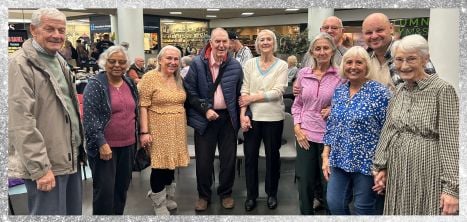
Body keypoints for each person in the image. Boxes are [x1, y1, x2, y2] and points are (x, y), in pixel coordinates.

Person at [8, 8, 85, 215]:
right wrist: (40, 168)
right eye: (49, 29)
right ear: (33, 30)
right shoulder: (20, 64)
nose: (57, 35)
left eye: (61, 30)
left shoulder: (59, 61)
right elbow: (21, 122)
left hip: (70, 157)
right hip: (47, 164)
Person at [372, 34, 459, 215]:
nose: (404, 66)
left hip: (428, 171)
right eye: (399, 60)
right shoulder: (400, 90)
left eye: (411, 59)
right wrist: (381, 166)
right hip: (399, 170)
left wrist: (452, 189)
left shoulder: (442, 90)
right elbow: (389, 129)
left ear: (425, 59)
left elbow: (451, 141)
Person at [321, 46, 391, 215]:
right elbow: (332, 126)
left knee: (364, 208)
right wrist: (325, 155)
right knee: (334, 203)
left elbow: (389, 131)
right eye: (349, 62)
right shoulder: (339, 91)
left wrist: (385, 166)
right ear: (343, 66)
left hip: (368, 162)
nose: (353, 66)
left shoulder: (381, 93)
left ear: (366, 66)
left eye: (359, 62)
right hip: (339, 159)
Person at [183, 27, 243, 211]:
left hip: (228, 119)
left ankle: (226, 193)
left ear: (230, 44)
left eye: (225, 41)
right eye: (217, 41)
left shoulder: (235, 66)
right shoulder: (197, 64)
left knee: (228, 160)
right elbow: (190, 93)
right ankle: (203, 195)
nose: (221, 45)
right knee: (203, 161)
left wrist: (243, 116)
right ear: (211, 43)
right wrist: (205, 109)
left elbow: (241, 93)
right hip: (205, 119)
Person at [291, 32, 343, 215]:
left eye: (325, 48)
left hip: (329, 137)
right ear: (312, 52)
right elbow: (297, 105)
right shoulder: (303, 74)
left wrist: (334, 108)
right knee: (304, 180)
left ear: (332, 51)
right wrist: (297, 128)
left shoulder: (340, 76)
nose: (321, 52)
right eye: (317, 48)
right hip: (305, 135)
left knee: (328, 181)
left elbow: (347, 103)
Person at [83, 46, 138, 215]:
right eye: (112, 61)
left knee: (121, 189)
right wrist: (101, 143)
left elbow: (134, 110)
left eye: (122, 62)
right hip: (105, 148)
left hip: (128, 145)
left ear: (127, 65)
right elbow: (90, 118)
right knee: (105, 193)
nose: (117, 65)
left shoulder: (129, 82)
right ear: (104, 63)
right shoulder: (95, 85)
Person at [239, 29, 288, 211]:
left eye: (269, 39)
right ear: (257, 44)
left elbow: (278, 92)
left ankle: (271, 193)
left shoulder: (282, 65)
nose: (265, 42)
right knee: (250, 158)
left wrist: (253, 98)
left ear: (274, 43)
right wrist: (243, 115)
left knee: (272, 158)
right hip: (252, 118)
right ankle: (251, 195)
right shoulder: (250, 64)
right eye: (262, 40)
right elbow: (244, 90)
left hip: (274, 118)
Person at [139, 45, 190, 215]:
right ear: (160, 60)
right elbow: (143, 106)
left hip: (177, 129)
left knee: (171, 164)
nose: (173, 62)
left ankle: (167, 196)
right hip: (158, 129)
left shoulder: (179, 79)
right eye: (169, 58)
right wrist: (144, 132)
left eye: (176, 59)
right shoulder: (149, 78)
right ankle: (158, 203)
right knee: (159, 167)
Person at [362, 13, 435, 90]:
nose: (374, 36)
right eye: (368, 33)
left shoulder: (411, 51)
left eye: (379, 30)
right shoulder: (363, 58)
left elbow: (431, 88)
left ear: (391, 28)